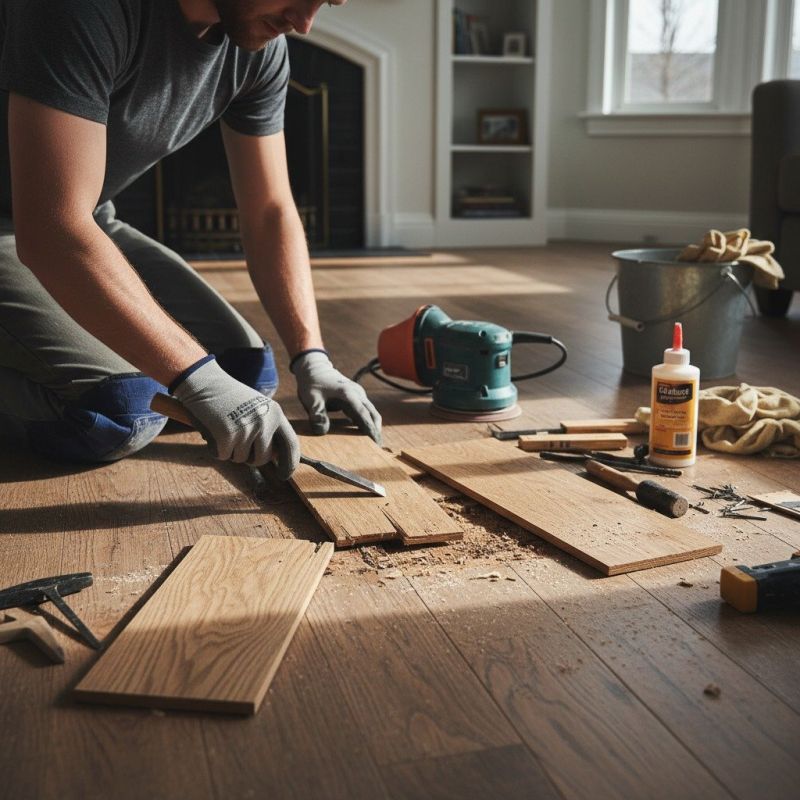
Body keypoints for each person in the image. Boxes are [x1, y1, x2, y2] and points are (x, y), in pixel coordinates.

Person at [0, 0, 381, 479]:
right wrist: (195, 377)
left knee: (244, 373)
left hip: (87, 219)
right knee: (119, 413)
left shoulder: (259, 48)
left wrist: (312, 357)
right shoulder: (84, 9)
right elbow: (52, 229)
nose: (304, 23)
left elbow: (269, 211)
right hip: (44, 224)